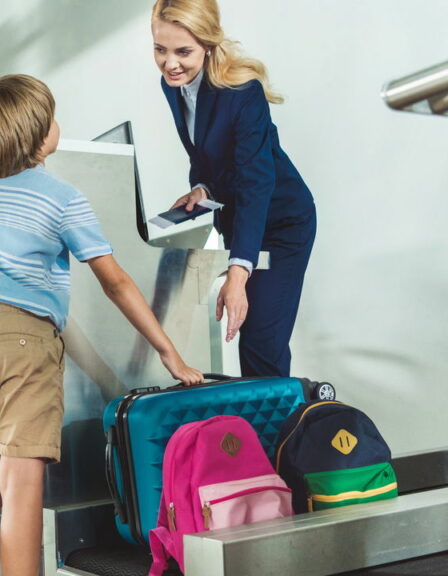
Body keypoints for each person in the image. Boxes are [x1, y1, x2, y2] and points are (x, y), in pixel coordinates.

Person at [0, 74, 205, 576]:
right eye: (51, 117)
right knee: (20, 484)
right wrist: (168, 351)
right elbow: (115, 283)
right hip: (23, 339)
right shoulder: (61, 197)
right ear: (38, 135)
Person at [152, 0, 317, 377]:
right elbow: (208, 150)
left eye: (183, 52)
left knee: (261, 342)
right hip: (241, 219)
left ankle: (281, 435)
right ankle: (263, 433)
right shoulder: (172, 84)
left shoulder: (243, 93)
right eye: (160, 49)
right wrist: (202, 186)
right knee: (256, 345)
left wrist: (238, 272)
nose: (169, 63)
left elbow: (257, 182)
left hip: (281, 224)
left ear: (208, 45)